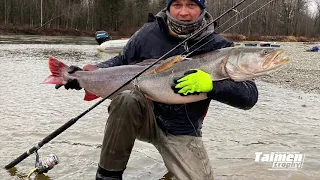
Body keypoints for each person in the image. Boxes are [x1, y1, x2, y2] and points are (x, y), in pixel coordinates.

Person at [60, 0, 259, 179]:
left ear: (202, 8)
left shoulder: (219, 45)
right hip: (142, 117)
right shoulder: (147, 33)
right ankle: (108, 175)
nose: (183, 12)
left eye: (191, 5)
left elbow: (249, 97)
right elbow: (121, 61)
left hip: (183, 129)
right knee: (127, 98)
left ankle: (173, 170)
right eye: (177, 5)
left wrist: (213, 85)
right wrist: (87, 75)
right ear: (168, 7)